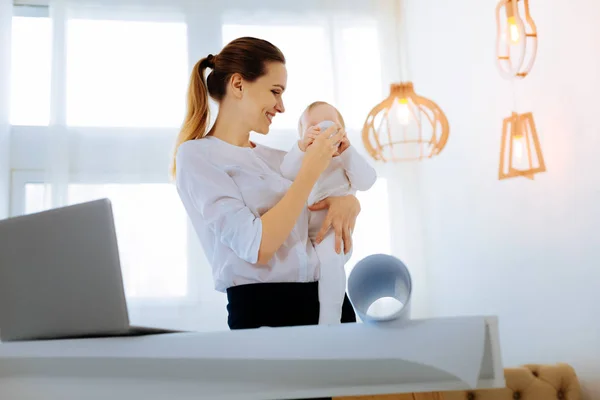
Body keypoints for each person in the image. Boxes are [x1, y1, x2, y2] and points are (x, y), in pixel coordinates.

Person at [171, 37, 361, 334]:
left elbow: (319, 207)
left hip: (329, 300)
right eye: (275, 91)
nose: (282, 106)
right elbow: (257, 246)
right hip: (263, 310)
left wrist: (349, 201)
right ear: (238, 85)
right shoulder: (196, 156)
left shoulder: (280, 159)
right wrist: (309, 173)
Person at [280, 102, 377, 325]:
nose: (322, 129)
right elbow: (286, 173)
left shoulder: (344, 159)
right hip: (302, 235)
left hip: (333, 233)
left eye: (329, 125)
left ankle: (330, 321)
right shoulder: (301, 159)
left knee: (331, 263)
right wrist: (301, 149)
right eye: (312, 127)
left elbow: (367, 181)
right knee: (312, 269)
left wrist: (348, 152)